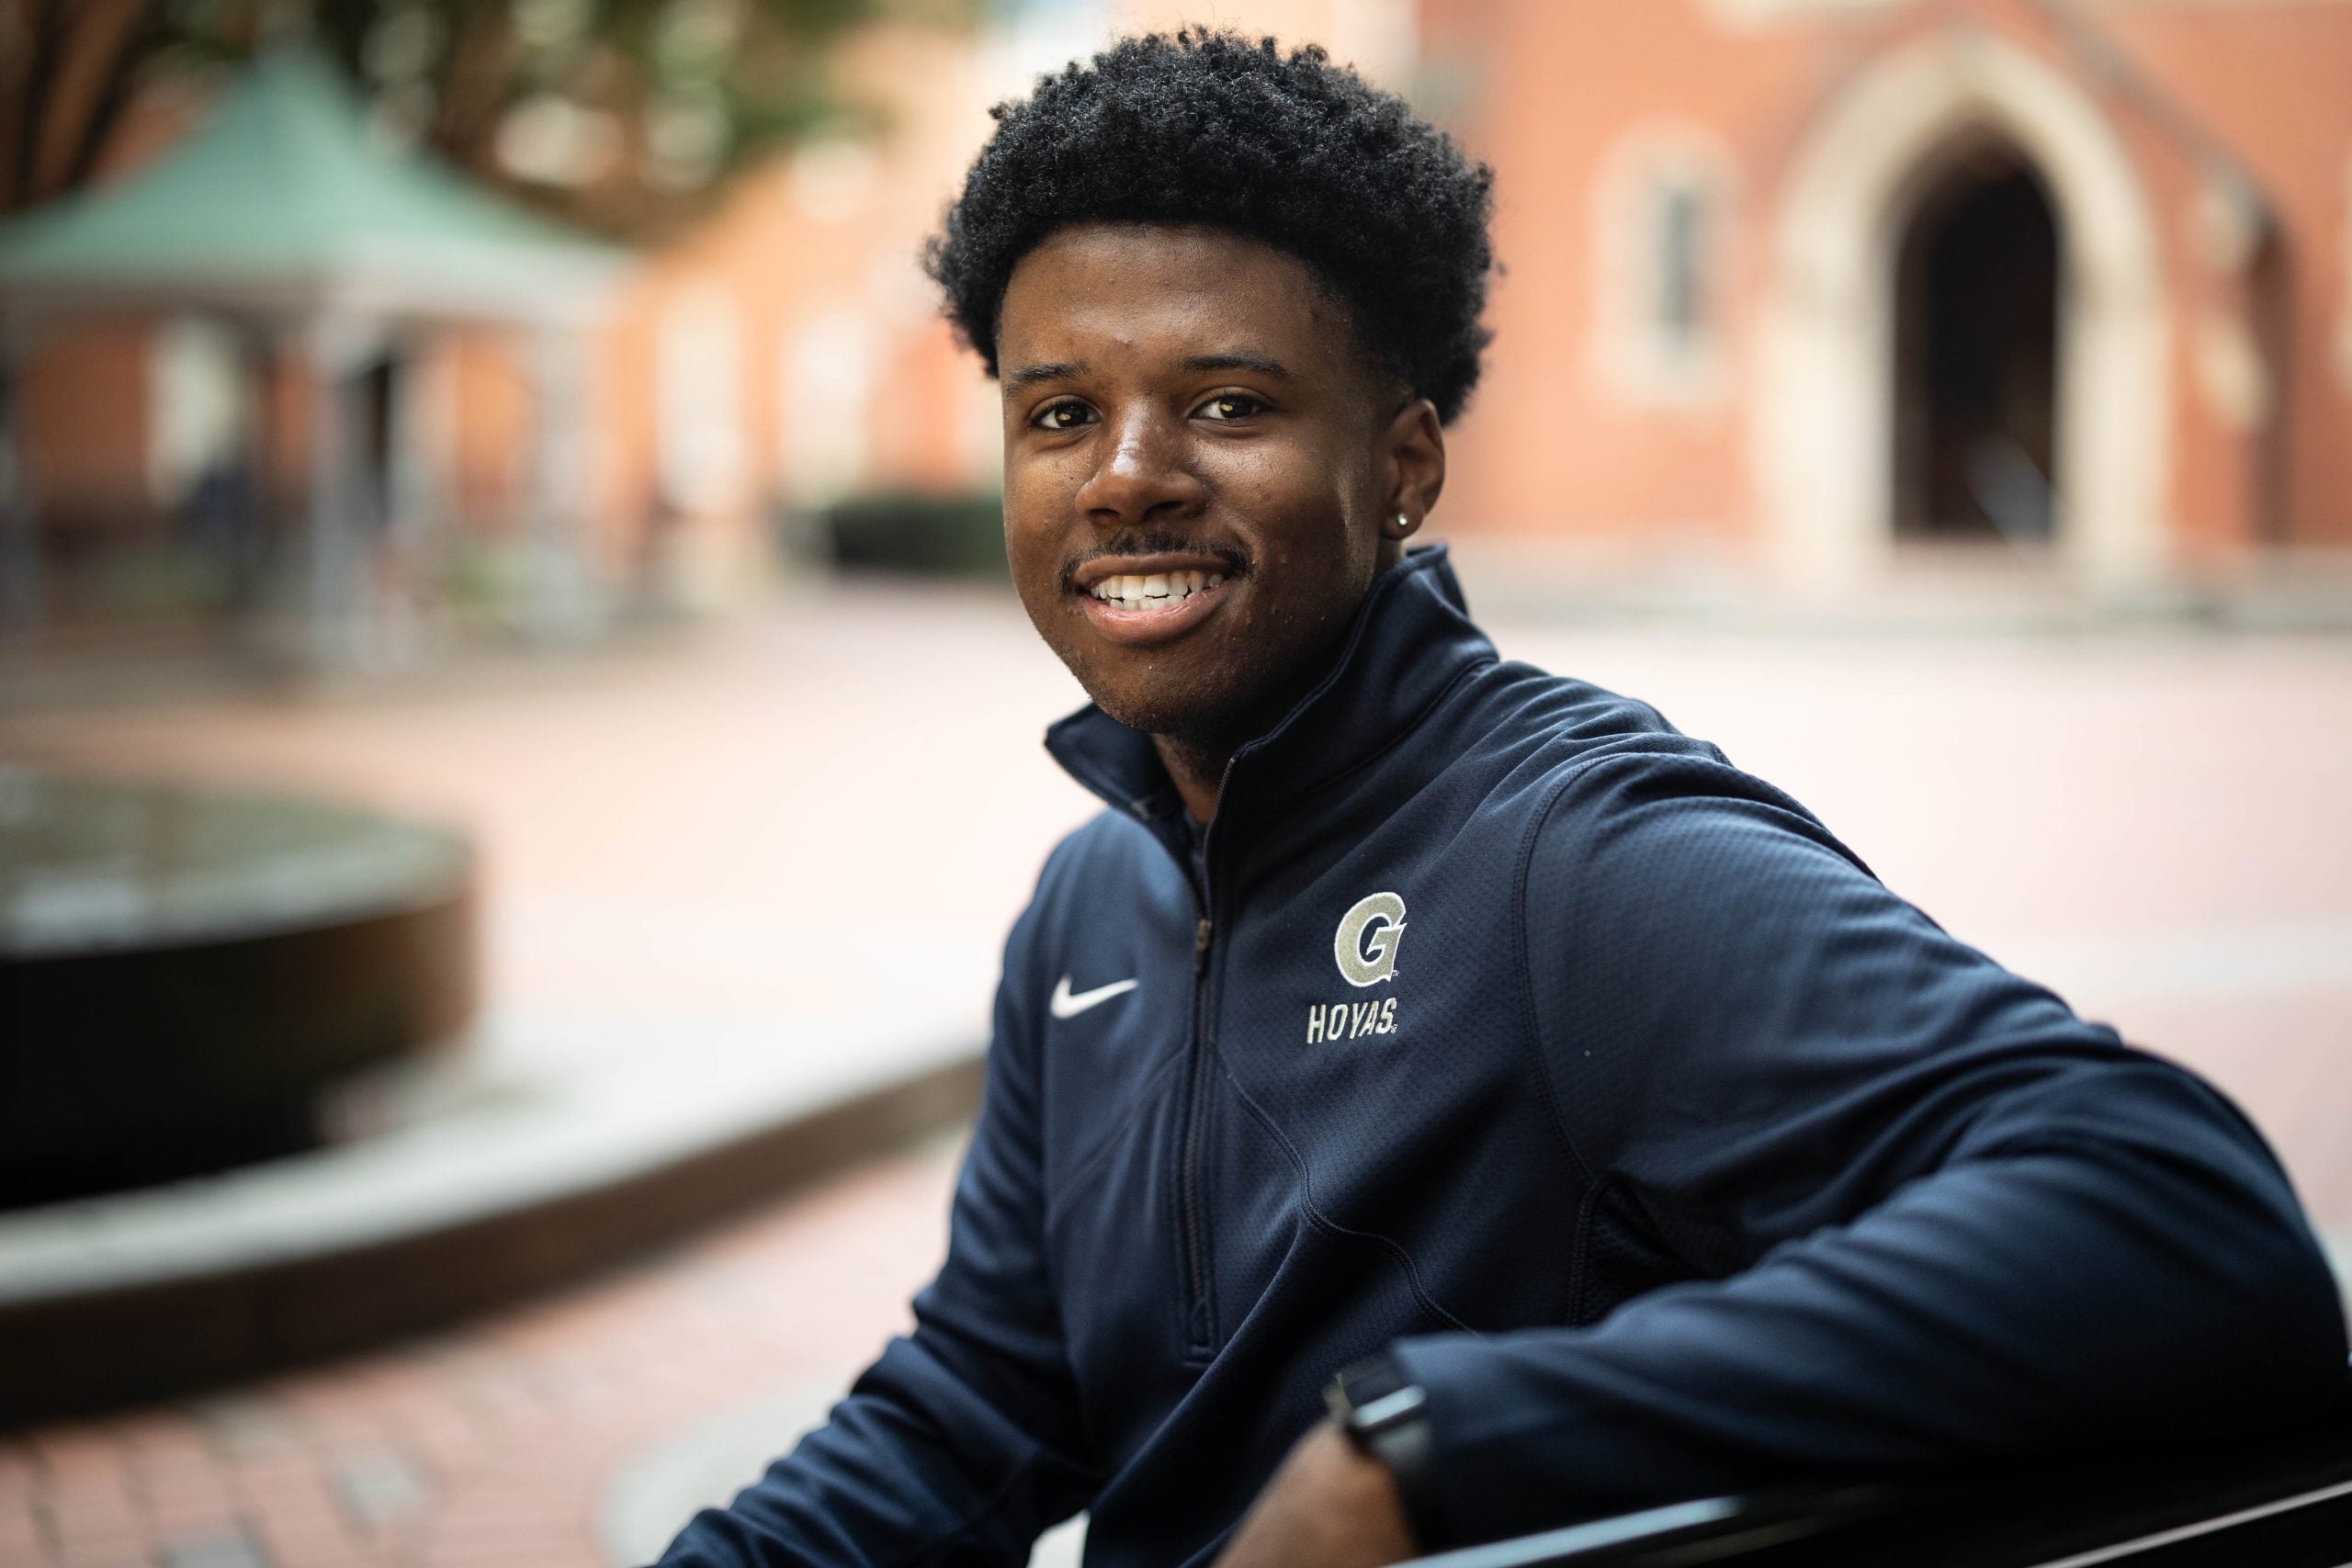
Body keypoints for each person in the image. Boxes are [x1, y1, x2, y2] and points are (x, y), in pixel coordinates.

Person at [657, 30, 2347, 1568]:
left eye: (1227, 405)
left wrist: (1416, 1452)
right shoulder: (1092, 904)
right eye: (1060, 414)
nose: (1127, 476)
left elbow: (2181, 1220)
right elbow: (987, 1397)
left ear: (1400, 467)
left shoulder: (1569, 851)